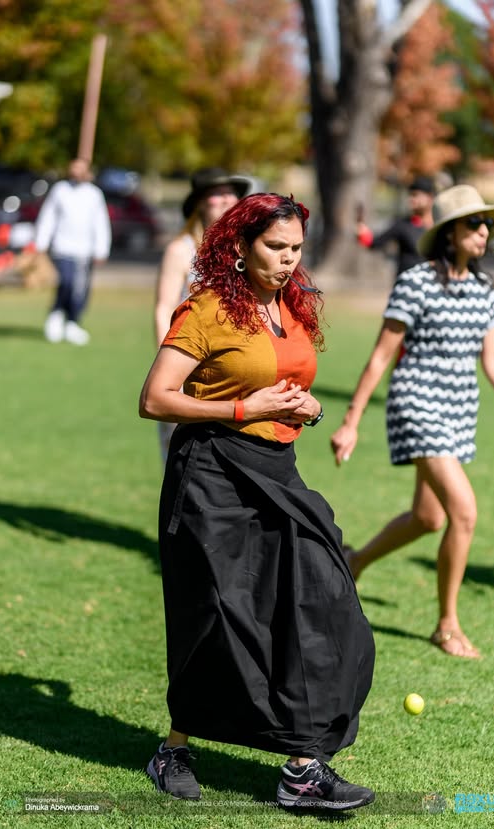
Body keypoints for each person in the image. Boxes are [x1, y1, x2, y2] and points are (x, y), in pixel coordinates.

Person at [139, 194, 375, 810]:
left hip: (276, 471)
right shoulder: (207, 309)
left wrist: (309, 408)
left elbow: (290, 386)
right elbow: (156, 399)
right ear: (241, 247)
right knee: (219, 614)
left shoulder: (291, 305)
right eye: (275, 247)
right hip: (211, 473)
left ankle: (302, 766)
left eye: (296, 248)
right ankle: (175, 750)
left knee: (323, 596)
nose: (288, 259)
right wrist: (244, 407)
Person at [331, 184, 494, 659]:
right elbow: (381, 356)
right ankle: (447, 625)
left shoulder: (484, 290)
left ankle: (354, 561)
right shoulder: (416, 282)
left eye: (487, 224)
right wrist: (351, 420)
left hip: (459, 412)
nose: (483, 232)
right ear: (448, 232)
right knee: (464, 512)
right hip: (416, 404)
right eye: (473, 223)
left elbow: (493, 361)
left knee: (429, 517)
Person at [154, 167, 252, 463]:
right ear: (199, 203)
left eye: (230, 193)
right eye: (216, 193)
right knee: (182, 452)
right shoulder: (181, 250)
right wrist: (168, 370)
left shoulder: (244, 251)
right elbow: (164, 308)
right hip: (189, 360)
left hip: (231, 363)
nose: (225, 199)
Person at [35, 157, 111, 345]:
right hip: (62, 247)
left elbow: (100, 222)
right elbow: (48, 217)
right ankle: (56, 313)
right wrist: (41, 242)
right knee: (66, 282)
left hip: (84, 251)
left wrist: (101, 249)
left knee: (80, 290)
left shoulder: (94, 194)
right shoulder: (60, 190)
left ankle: (72, 321)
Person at [357, 176, 436, 277]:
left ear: (430, 198)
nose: (411, 199)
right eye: (410, 195)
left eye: (415, 195)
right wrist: (362, 231)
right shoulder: (403, 225)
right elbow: (374, 242)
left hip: (432, 283)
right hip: (406, 283)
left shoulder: (439, 227)